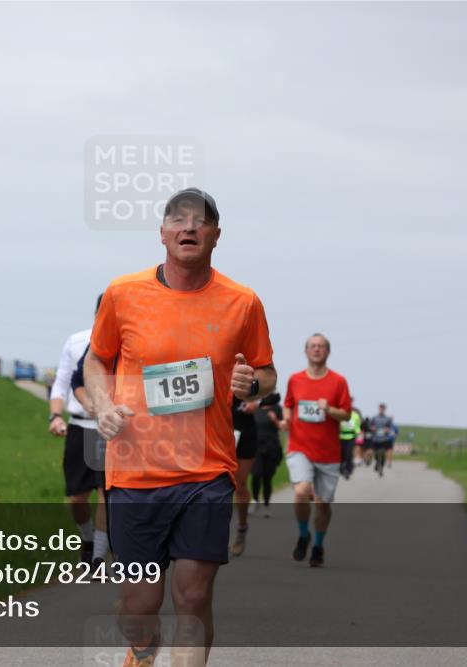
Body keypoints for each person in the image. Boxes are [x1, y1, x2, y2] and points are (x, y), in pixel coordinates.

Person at [83, 188, 275, 666]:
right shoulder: (123, 294)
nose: (189, 228)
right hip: (135, 472)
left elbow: (267, 373)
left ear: (216, 236)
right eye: (178, 220)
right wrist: (103, 404)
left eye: (200, 221)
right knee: (140, 605)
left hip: (206, 470)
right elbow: (96, 359)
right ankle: (141, 651)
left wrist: (252, 385)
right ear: (163, 233)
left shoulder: (243, 302)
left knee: (193, 596)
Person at [278, 334, 351, 567]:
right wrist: (287, 421)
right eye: (313, 346)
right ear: (306, 351)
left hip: (328, 454)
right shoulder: (295, 379)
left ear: (328, 352)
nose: (317, 350)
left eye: (321, 346)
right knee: (301, 491)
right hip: (300, 447)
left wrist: (329, 409)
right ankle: (303, 534)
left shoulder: (338, 382)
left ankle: (318, 545)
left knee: (323, 505)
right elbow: (288, 404)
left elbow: (347, 414)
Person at [48, 295, 108, 567]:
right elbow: (62, 382)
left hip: (110, 430)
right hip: (80, 426)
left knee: (106, 493)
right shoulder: (77, 342)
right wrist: (55, 416)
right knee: (77, 497)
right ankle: (87, 539)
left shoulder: (128, 343)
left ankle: (97, 557)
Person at [230, 396, 257, 556]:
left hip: (243, 432)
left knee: (239, 484)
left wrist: (257, 402)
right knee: (216, 484)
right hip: (216, 430)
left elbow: (271, 393)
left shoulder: (248, 371)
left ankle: (241, 528)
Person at [249, 393, 283, 517]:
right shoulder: (255, 408)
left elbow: (282, 426)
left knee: (267, 477)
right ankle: (255, 500)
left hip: (272, 447)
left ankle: (266, 506)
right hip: (256, 447)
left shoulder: (277, 408)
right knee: (256, 474)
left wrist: (275, 420)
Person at [339, 399, 362, 479]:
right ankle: (341, 468)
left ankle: (349, 470)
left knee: (349, 454)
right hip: (341, 437)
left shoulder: (355, 415)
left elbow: (357, 427)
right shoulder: (341, 413)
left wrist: (359, 433)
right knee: (342, 455)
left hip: (351, 437)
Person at [369, 403, 394, 477]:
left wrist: (387, 430)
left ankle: (381, 468)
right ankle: (377, 463)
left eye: (383, 408)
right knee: (376, 454)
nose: (382, 410)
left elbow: (390, 428)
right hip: (375, 439)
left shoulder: (387, 419)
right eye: (380, 408)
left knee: (382, 454)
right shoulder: (374, 418)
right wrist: (372, 428)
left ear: (385, 409)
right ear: (379, 409)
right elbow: (370, 426)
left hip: (384, 440)